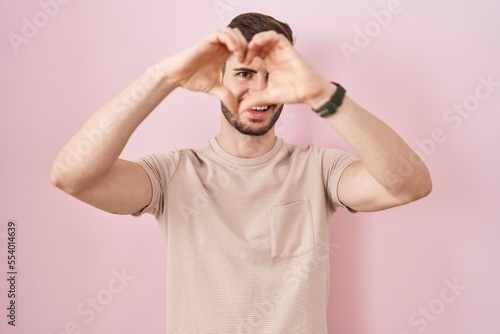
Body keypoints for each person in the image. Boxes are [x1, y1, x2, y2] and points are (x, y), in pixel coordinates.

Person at [50, 12, 432, 334]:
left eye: (272, 77)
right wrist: (163, 78)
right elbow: (72, 176)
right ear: (219, 77)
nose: (259, 91)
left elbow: (409, 186)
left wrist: (321, 94)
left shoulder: (319, 169)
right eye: (245, 74)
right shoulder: (174, 174)